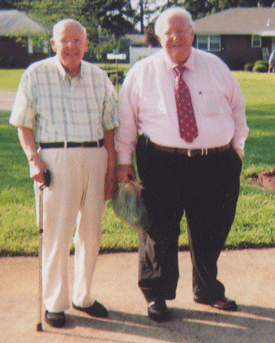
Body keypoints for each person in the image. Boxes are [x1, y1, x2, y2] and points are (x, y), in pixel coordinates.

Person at [115, 7, 249, 322]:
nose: (175, 38)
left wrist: (237, 151)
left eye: (181, 31)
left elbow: (238, 111)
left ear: (192, 33)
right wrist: (123, 162)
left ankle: (207, 289)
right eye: (168, 33)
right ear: (158, 37)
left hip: (215, 162)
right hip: (161, 161)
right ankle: (157, 295)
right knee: (158, 230)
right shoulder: (142, 72)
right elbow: (125, 124)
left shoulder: (215, 66)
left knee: (211, 227)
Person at [9, 18, 118, 328]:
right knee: (56, 234)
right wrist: (34, 159)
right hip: (56, 157)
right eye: (64, 41)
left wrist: (111, 166)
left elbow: (110, 125)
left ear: (86, 45)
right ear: (53, 44)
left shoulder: (99, 77)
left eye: (77, 41)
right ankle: (55, 302)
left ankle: (83, 296)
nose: (71, 46)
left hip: (96, 155)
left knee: (91, 232)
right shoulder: (36, 74)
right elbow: (23, 123)